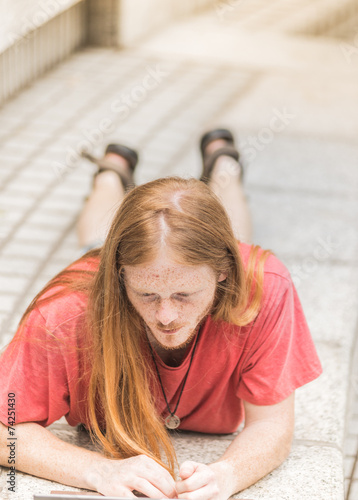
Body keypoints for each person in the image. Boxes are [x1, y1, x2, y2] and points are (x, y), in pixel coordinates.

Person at [0, 129, 322, 499]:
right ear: (120, 275)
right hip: (105, 263)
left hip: (224, 261)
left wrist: (228, 475)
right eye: (147, 294)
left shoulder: (263, 288)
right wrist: (96, 470)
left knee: (237, 231)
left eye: (185, 294)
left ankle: (223, 166)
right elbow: (4, 427)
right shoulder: (66, 314)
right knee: (95, 238)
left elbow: (272, 425)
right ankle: (112, 171)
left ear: (223, 272)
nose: (166, 315)